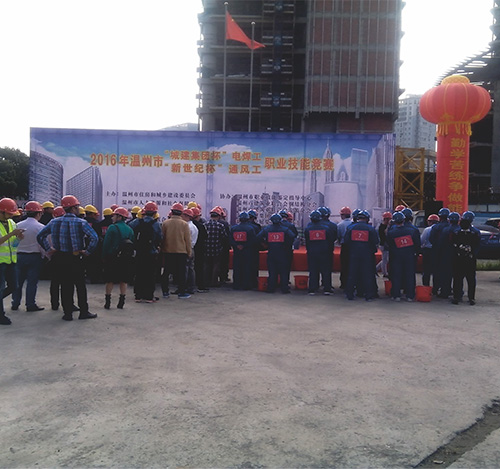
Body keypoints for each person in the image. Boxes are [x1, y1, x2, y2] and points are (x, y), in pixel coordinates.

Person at [37, 195, 98, 321]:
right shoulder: (81, 222)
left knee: (65, 286)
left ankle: (68, 313)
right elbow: (94, 238)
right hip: (76, 257)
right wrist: (87, 251)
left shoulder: (54, 222)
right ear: (74, 208)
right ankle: (83, 312)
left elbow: (40, 236)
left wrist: (49, 249)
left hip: (60, 257)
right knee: (80, 286)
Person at [11, 201, 46, 312]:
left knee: (18, 282)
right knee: (32, 282)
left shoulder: (17, 225)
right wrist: (44, 255)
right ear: (38, 213)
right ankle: (30, 304)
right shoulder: (40, 227)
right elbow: (42, 244)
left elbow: (14, 243)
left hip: (19, 256)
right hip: (34, 257)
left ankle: (15, 303)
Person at [102, 207, 135, 309]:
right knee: (123, 280)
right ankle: (121, 302)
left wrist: (104, 256)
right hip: (125, 258)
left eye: (114, 216)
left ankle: (108, 302)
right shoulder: (129, 229)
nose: (112, 217)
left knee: (110, 280)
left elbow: (106, 243)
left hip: (112, 257)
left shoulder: (112, 228)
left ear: (119, 217)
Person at [129, 201, 162, 303]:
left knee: (139, 273)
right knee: (150, 275)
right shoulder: (156, 224)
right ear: (155, 213)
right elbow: (160, 237)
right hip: (151, 253)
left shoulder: (137, 222)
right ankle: (148, 296)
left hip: (139, 252)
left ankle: (138, 296)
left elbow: (130, 230)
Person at [344, 210, 379, 301]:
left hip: (354, 254)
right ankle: (369, 295)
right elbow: (375, 241)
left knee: (352, 274)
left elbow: (346, 241)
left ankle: (349, 294)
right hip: (367, 255)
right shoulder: (370, 229)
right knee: (367, 275)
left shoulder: (351, 228)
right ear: (367, 219)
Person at [256, 214, 296, 294]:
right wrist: (286, 244)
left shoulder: (267, 229)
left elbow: (258, 237)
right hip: (283, 253)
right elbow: (292, 237)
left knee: (272, 271)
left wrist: (264, 244)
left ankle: (271, 288)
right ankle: (284, 288)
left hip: (271, 253)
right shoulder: (285, 229)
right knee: (283, 272)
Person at [386, 211, 421, 302]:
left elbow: (388, 244)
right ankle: (410, 295)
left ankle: (396, 295)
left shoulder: (391, 232)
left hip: (396, 257)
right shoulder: (412, 231)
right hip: (409, 256)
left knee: (396, 275)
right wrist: (417, 253)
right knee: (410, 275)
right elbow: (417, 244)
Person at [0, 198, 25, 325]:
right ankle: (1, 316)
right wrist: (11, 234)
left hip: (11, 261)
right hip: (0, 262)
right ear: (2, 212)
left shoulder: (12, 223)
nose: (11, 215)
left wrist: (19, 238)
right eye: (9, 213)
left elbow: (13, 244)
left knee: (14, 286)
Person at [160, 203, 192, 299]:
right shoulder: (184, 224)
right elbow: (187, 240)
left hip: (168, 251)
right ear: (181, 213)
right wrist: (189, 252)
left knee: (166, 272)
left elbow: (162, 238)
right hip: (181, 252)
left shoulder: (165, 223)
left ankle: (165, 292)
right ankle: (181, 292)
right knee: (181, 273)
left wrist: (162, 249)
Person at [304, 210, 336, 295]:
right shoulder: (327, 228)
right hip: (325, 253)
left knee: (313, 271)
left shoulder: (308, 229)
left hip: (312, 253)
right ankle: (327, 289)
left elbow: (307, 241)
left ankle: (312, 289)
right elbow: (331, 240)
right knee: (326, 271)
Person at [451, 217, 480, 305]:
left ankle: (458, 297)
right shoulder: (473, 233)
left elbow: (453, 245)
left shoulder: (457, 233)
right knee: (468, 279)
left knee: (459, 279)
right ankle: (469, 298)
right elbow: (477, 246)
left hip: (461, 259)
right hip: (467, 259)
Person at [230, 211, 257, 290]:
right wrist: (244, 246)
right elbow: (253, 240)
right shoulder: (250, 229)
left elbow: (230, 239)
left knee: (237, 267)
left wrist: (236, 245)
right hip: (247, 251)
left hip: (237, 251)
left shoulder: (234, 228)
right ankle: (246, 285)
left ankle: (236, 284)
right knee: (246, 268)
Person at [204, 207, 228, 288]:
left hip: (207, 248)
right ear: (218, 216)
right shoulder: (220, 226)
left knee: (207, 265)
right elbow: (224, 237)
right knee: (216, 265)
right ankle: (214, 282)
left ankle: (206, 281)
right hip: (217, 249)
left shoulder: (205, 225)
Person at [181, 208, 198, 295]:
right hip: (190, 248)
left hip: (187, 249)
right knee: (190, 269)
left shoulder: (188, 227)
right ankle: (190, 287)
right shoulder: (192, 226)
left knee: (186, 269)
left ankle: (187, 287)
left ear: (187, 216)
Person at [191, 207, 209, 293]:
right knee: (200, 268)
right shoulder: (201, 226)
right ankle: (200, 285)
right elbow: (206, 236)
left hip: (190, 248)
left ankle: (189, 285)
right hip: (200, 249)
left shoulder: (187, 225)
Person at [420, 214, 439, 287]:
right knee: (436, 271)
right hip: (437, 251)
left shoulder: (427, 229)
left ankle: (426, 287)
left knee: (426, 271)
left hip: (427, 251)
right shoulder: (440, 229)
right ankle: (436, 288)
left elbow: (422, 240)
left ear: (430, 222)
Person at [337, 206, 352, 289]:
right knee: (351, 265)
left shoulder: (340, 225)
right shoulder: (353, 224)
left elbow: (338, 236)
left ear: (342, 215)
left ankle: (343, 283)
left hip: (344, 247)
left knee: (344, 265)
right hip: (353, 247)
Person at [376, 211, 392, 277]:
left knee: (385, 259)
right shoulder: (382, 227)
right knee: (385, 260)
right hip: (384, 245)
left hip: (385, 245)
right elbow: (385, 235)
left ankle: (375, 269)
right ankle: (384, 273)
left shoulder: (383, 226)